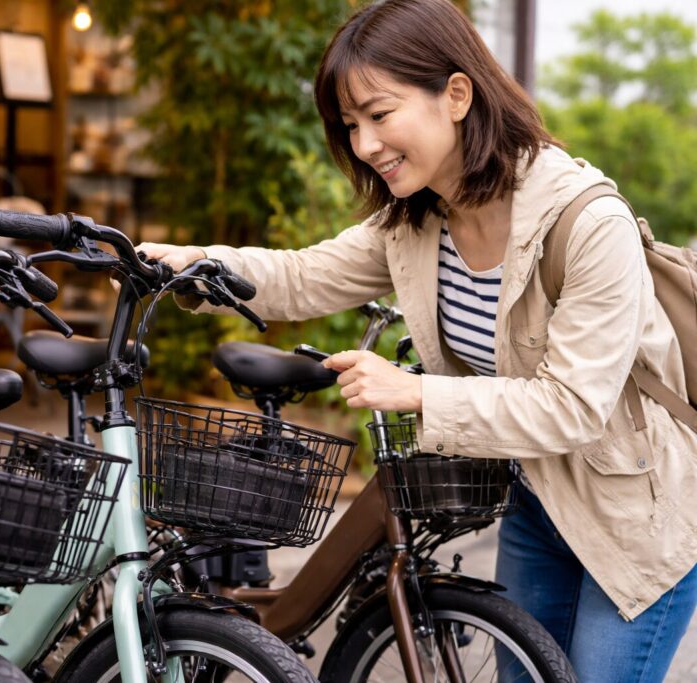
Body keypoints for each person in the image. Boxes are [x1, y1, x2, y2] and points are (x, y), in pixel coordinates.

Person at [134, 1, 697, 681]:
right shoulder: (419, 219)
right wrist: (191, 263)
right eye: (350, 125)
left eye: (379, 114)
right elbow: (303, 275)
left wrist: (417, 392)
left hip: (640, 517)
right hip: (539, 502)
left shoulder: (585, 222)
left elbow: (573, 406)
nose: (365, 144)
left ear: (456, 95)